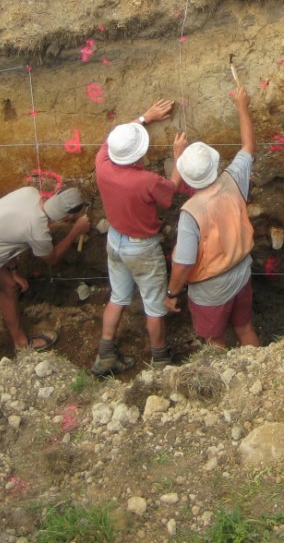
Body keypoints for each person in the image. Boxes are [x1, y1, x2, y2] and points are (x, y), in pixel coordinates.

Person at [0, 186, 89, 370]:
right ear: (66, 218)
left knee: (11, 285)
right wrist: (74, 232)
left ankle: (21, 343)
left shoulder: (29, 193)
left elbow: (8, 230)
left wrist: (12, 270)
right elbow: (51, 258)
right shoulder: (38, 230)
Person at [92, 99, 186, 374]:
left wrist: (145, 117)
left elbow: (114, 141)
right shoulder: (146, 180)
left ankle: (105, 354)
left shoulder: (103, 163)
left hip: (115, 241)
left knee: (118, 298)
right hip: (142, 249)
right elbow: (172, 188)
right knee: (155, 308)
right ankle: (161, 364)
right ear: (137, 155)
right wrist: (178, 155)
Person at [164, 86, 258, 348]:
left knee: (215, 340)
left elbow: (182, 263)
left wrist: (172, 293)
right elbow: (249, 146)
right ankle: (258, 372)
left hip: (211, 289)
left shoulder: (191, 213)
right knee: (245, 328)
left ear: (185, 174)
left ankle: (226, 385)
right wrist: (242, 106)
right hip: (241, 273)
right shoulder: (233, 179)